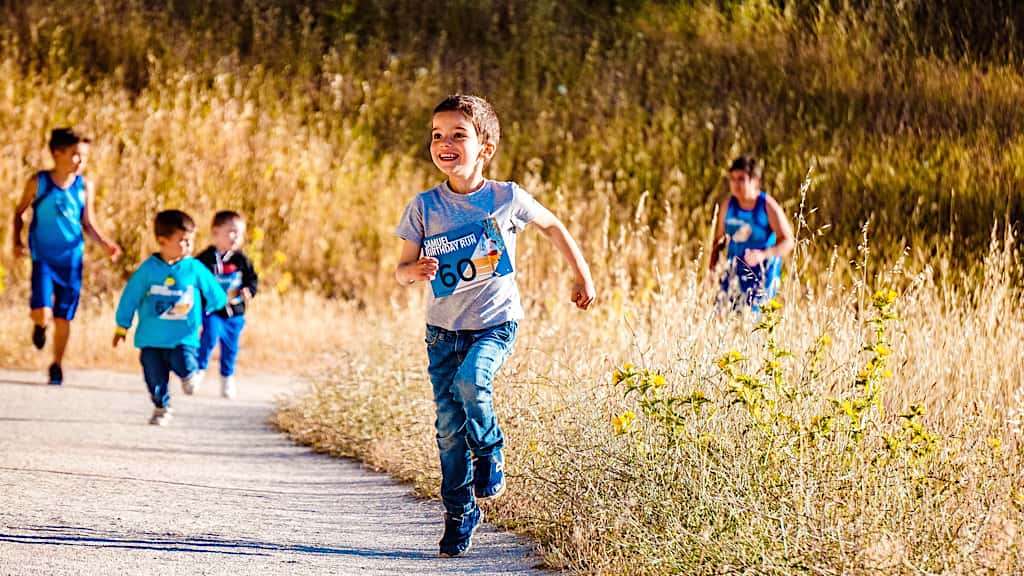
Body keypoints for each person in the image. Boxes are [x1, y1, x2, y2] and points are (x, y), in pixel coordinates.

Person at [395, 94, 596, 557]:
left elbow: (553, 227)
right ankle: (460, 511)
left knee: (473, 382)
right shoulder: (424, 207)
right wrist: (416, 272)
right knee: (447, 428)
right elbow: (402, 269)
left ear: (484, 147)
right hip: (442, 333)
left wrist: (582, 274)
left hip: (495, 325)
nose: (445, 143)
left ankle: (489, 448)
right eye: (437, 135)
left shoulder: (506, 197)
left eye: (458, 135)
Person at [12, 127, 122, 385]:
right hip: (44, 259)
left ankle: (57, 365)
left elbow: (88, 222)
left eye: (84, 156)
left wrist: (105, 243)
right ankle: (39, 327)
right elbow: (19, 213)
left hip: (71, 261)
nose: (81, 161)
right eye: (75, 154)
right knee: (42, 312)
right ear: (56, 153)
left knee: (64, 317)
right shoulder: (39, 182)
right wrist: (16, 242)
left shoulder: (84, 185)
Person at [112, 210, 227, 426]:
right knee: (154, 376)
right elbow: (130, 297)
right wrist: (122, 326)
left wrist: (214, 306)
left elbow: (214, 292)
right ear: (162, 241)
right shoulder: (148, 270)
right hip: (151, 338)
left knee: (183, 362)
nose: (188, 246)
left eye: (191, 241)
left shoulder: (193, 267)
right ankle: (161, 407)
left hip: (183, 336)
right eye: (182, 241)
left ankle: (190, 374)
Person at [709, 156, 794, 309]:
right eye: (732, 179)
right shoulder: (728, 206)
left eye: (741, 179)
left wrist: (763, 254)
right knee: (721, 314)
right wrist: (712, 270)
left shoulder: (767, 206)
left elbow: (788, 241)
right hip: (734, 270)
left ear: (755, 180)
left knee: (752, 321)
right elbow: (719, 241)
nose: (736, 184)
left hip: (762, 274)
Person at [194, 210, 259, 399]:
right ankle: (198, 371)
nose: (235, 237)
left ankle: (227, 377)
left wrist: (249, 290)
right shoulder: (205, 259)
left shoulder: (241, 260)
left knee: (231, 347)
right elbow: (194, 278)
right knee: (209, 337)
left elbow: (252, 279)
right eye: (230, 232)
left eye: (239, 233)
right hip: (212, 310)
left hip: (235, 312)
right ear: (215, 232)